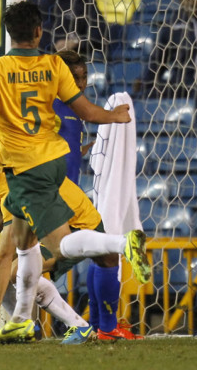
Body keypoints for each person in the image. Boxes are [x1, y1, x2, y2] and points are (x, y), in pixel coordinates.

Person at [0, 1, 151, 344]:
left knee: (59, 245)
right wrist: (115, 116)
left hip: (26, 167)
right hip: (52, 162)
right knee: (24, 245)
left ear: (9, 33)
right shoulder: (54, 64)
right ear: (39, 32)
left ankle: (122, 242)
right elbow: (85, 110)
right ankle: (22, 318)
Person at [0, 134, 96, 344]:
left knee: (14, 270)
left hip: (74, 228)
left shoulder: (8, 181)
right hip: (46, 224)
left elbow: (6, 252)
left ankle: (78, 326)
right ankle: (23, 326)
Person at [53, 50, 143, 340]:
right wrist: (115, 117)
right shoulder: (51, 106)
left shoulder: (71, 111)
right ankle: (97, 326)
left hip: (70, 197)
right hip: (55, 198)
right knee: (98, 254)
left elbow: (62, 149)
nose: (80, 85)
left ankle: (100, 327)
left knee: (101, 255)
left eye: (84, 78)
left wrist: (88, 149)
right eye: (73, 78)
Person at [28, 0, 109, 59]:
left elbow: (101, 34)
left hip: (70, 62)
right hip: (38, 60)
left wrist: (75, 42)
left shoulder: (86, 2)